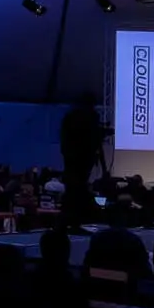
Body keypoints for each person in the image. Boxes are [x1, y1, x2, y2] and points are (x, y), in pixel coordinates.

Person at [59, 91, 106, 221]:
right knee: (77, 187)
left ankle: (71, 219)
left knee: (74, 187)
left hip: (72, 157)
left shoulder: (70, 117)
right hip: (80, 158)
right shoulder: (87, 117)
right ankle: (75, 219)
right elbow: (88, 136)